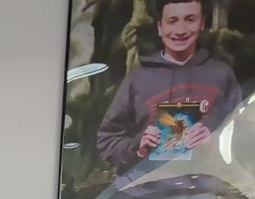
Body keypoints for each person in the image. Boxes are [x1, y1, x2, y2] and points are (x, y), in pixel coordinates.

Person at [94, 0, 242, 184]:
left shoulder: (222, 75)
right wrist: (138, 147)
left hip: (203, 196)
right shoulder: (137, 79)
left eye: (190, 19)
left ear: (202, 23)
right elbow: (107, 140)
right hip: (142, 195)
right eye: (172, 21)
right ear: (159, 27)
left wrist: (214, 145)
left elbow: (242, 139)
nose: (180, 30)